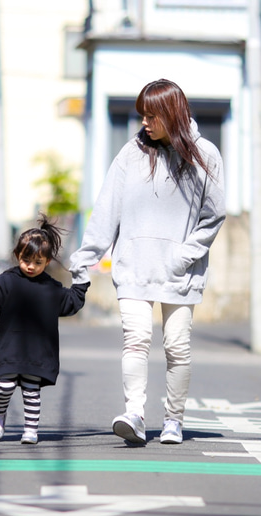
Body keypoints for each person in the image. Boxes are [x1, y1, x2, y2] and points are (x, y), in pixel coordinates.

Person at [69, 79, 226, 445]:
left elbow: (214, 214)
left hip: (179, 271)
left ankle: (173, 419)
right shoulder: (130, 154)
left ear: (171, 114)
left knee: (177, 346)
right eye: (142, 116)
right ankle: (135, 414)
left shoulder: (206, 155)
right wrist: (85, 258)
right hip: (134, 265)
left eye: (151, 116)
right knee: (136, 339)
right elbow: (107, 209)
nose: (145, 123)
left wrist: (184, 255)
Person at [0, 213, 90, 444]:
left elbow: (72, 302)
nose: (30, 266)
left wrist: (81, 280)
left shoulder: (51, 288)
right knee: (5, 386)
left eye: (38, 263)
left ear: (47, 262)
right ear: (17, 255)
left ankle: (31, 429)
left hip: (38, 350)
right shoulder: (4, 281)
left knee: (32, 391)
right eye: (25, 260)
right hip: (10, 347)